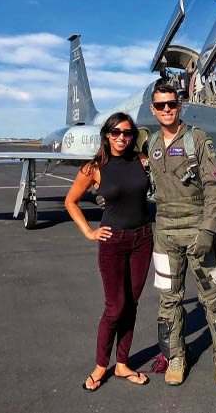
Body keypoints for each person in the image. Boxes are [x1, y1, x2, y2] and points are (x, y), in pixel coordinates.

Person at [148, 83, 216, 386]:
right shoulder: (153, 143)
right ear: (153, 110)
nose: (167, 109)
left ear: (179, 105)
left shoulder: (198, 139)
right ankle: (176, 357)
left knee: (212, 296)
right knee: (168, 300)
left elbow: (215, 188)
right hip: (165, 235)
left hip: (198, 231)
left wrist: (208, 231)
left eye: (171, 103)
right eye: (161, 106)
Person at [65, 112, 152, 390]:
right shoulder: (94, 168)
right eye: (115, 133)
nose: (121, 138)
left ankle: (123, 364)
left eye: (127, 133)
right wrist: (89, 232)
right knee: (115, 308)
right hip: (113, 243)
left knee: (132, 305)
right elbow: (71, 201)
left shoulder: (141, 161)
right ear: (106, 135)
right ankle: (101, 366)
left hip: (143, 239)